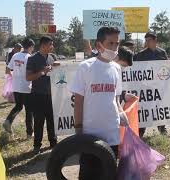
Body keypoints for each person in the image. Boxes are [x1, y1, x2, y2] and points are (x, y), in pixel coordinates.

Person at [69, 27, 129, 180]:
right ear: (99, 46)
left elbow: (115, 98)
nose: (115, 48)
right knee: (89, 174)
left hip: (112, 134)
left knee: (108, 174)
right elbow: (79, 101)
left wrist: (121, 112)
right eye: (111, 43)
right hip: (90, 135)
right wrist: (78, 131)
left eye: (117, 44)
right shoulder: (86, 67)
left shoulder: (116, 68)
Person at [134, 31, 170, 137]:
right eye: (146, 40)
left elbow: (166, 67)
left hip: (159, 87)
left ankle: (162, 129)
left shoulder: (162, 52)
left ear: (155, 40)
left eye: (149, 40)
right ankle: (140, 131)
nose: (147, 42)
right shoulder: (141, 54)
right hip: (146, 87)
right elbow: (134, 68)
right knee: (145, 108)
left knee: (159, 108)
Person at [26, 36, 59, 154]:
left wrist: (57, 68)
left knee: (52, 120)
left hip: (51, 95)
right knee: (39, 122)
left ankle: (53, 143)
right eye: (50, 44)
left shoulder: (53, 57)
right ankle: (37, 145)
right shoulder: (33, 59)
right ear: (43, 45)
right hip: (38, 95)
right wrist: (42, 72)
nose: (52, 47)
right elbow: (28, 77)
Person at [3, 38, 35, 138]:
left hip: (16, 87)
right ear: (30, 47)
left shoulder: (16, 55)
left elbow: (7, 70)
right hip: (26, 87)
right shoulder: (30, 57)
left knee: (18, 106)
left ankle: (8, 121)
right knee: (29, 111)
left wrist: (15, 77)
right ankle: (29, 133)